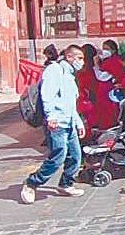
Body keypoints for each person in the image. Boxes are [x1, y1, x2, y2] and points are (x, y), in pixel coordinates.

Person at [21, 46, 87, 204]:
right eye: (79, 58)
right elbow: (47, 94)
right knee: (58, 156)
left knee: (75, 156)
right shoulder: (55, 70)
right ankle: (32, 183)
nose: (82, 62)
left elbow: (70, 104)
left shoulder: (70, 76)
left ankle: (66, 184)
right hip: (57, 123)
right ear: (69, 57)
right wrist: (51, 116)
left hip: (69, 122)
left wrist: (78, 123)